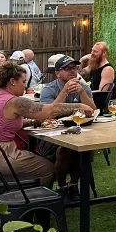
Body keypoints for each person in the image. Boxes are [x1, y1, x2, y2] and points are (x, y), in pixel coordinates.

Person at [0, 61, 92, 186]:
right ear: (13, 81)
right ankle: (33, 196)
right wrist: (79, 106)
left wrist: (30, 122)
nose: (25, 86)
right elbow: (49, 111)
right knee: (47, 168)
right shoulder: (15, 101)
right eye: (23, 81)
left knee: (40, 157)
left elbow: (3, 122)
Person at [37, 55, 96, 191]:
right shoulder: (49, 89)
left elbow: (92, 110)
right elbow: (47, 114)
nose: (73, 71)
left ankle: (73, 185)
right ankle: (62, 186)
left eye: (74, 68)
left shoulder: (83, 87)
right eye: (68, 68)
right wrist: (64, 92)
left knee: (87, 147)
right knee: (65, 150)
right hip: (52, 135)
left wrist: (82, 93)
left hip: (79, 131)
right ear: (57, 73)